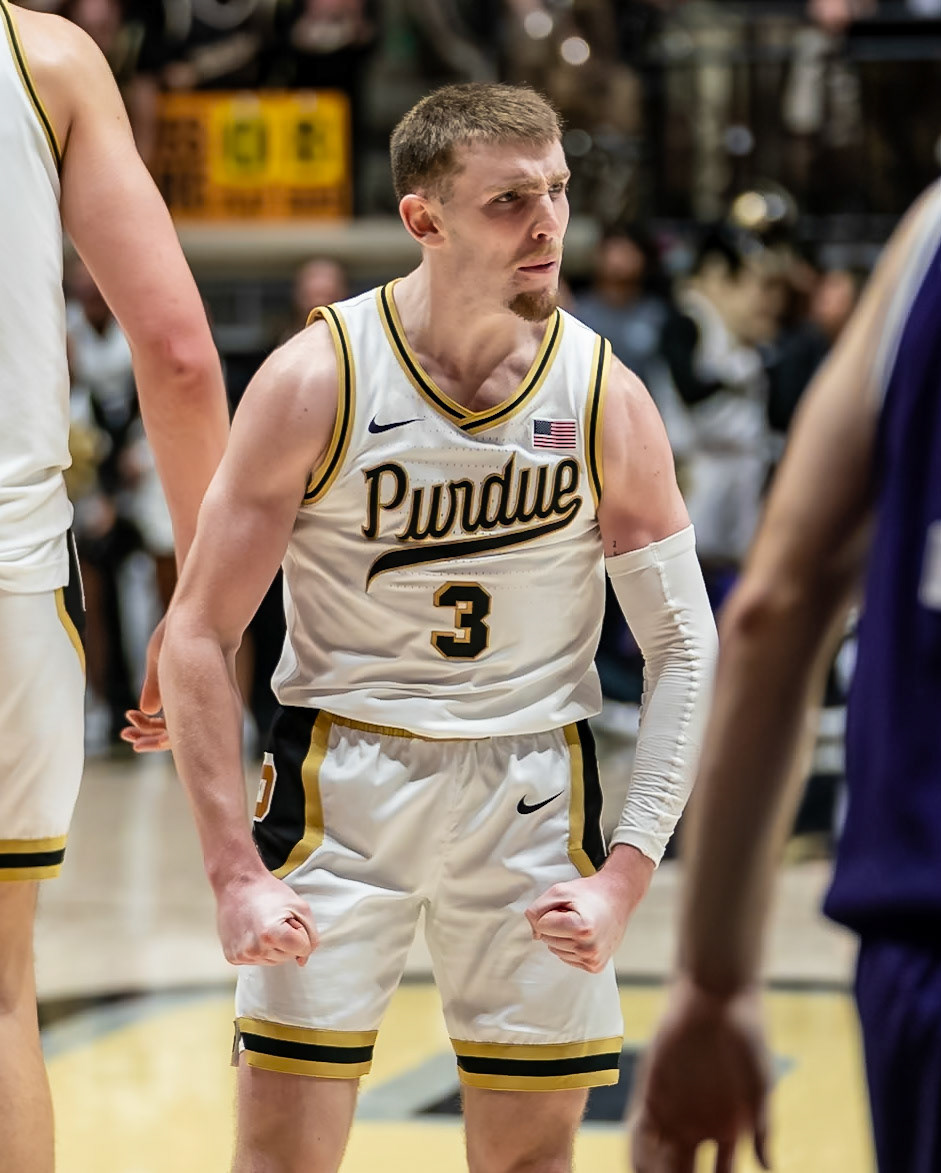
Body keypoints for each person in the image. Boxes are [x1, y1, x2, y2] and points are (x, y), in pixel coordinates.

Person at [137, 82, 717, 1173]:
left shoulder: (603, 395)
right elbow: (200, 633)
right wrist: (229, 872)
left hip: (534, 782)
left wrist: (626, 872)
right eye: (509, 199)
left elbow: (685, 645)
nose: (547, 223)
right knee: (281, 1159)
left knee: (528, 1161)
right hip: (339, 781)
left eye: (556, 190)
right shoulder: (319, 378)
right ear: (424, 219)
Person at [630, 181, 941, 1173]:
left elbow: (779, 603)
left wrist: (713, 982)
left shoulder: (927, 238)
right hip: (691, 533)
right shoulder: (680, 335)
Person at [0, 3, 229, 1170]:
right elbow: (181, 354)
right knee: (1, 992)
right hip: (13, 577)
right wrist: (199, 611)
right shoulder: (46, 60)